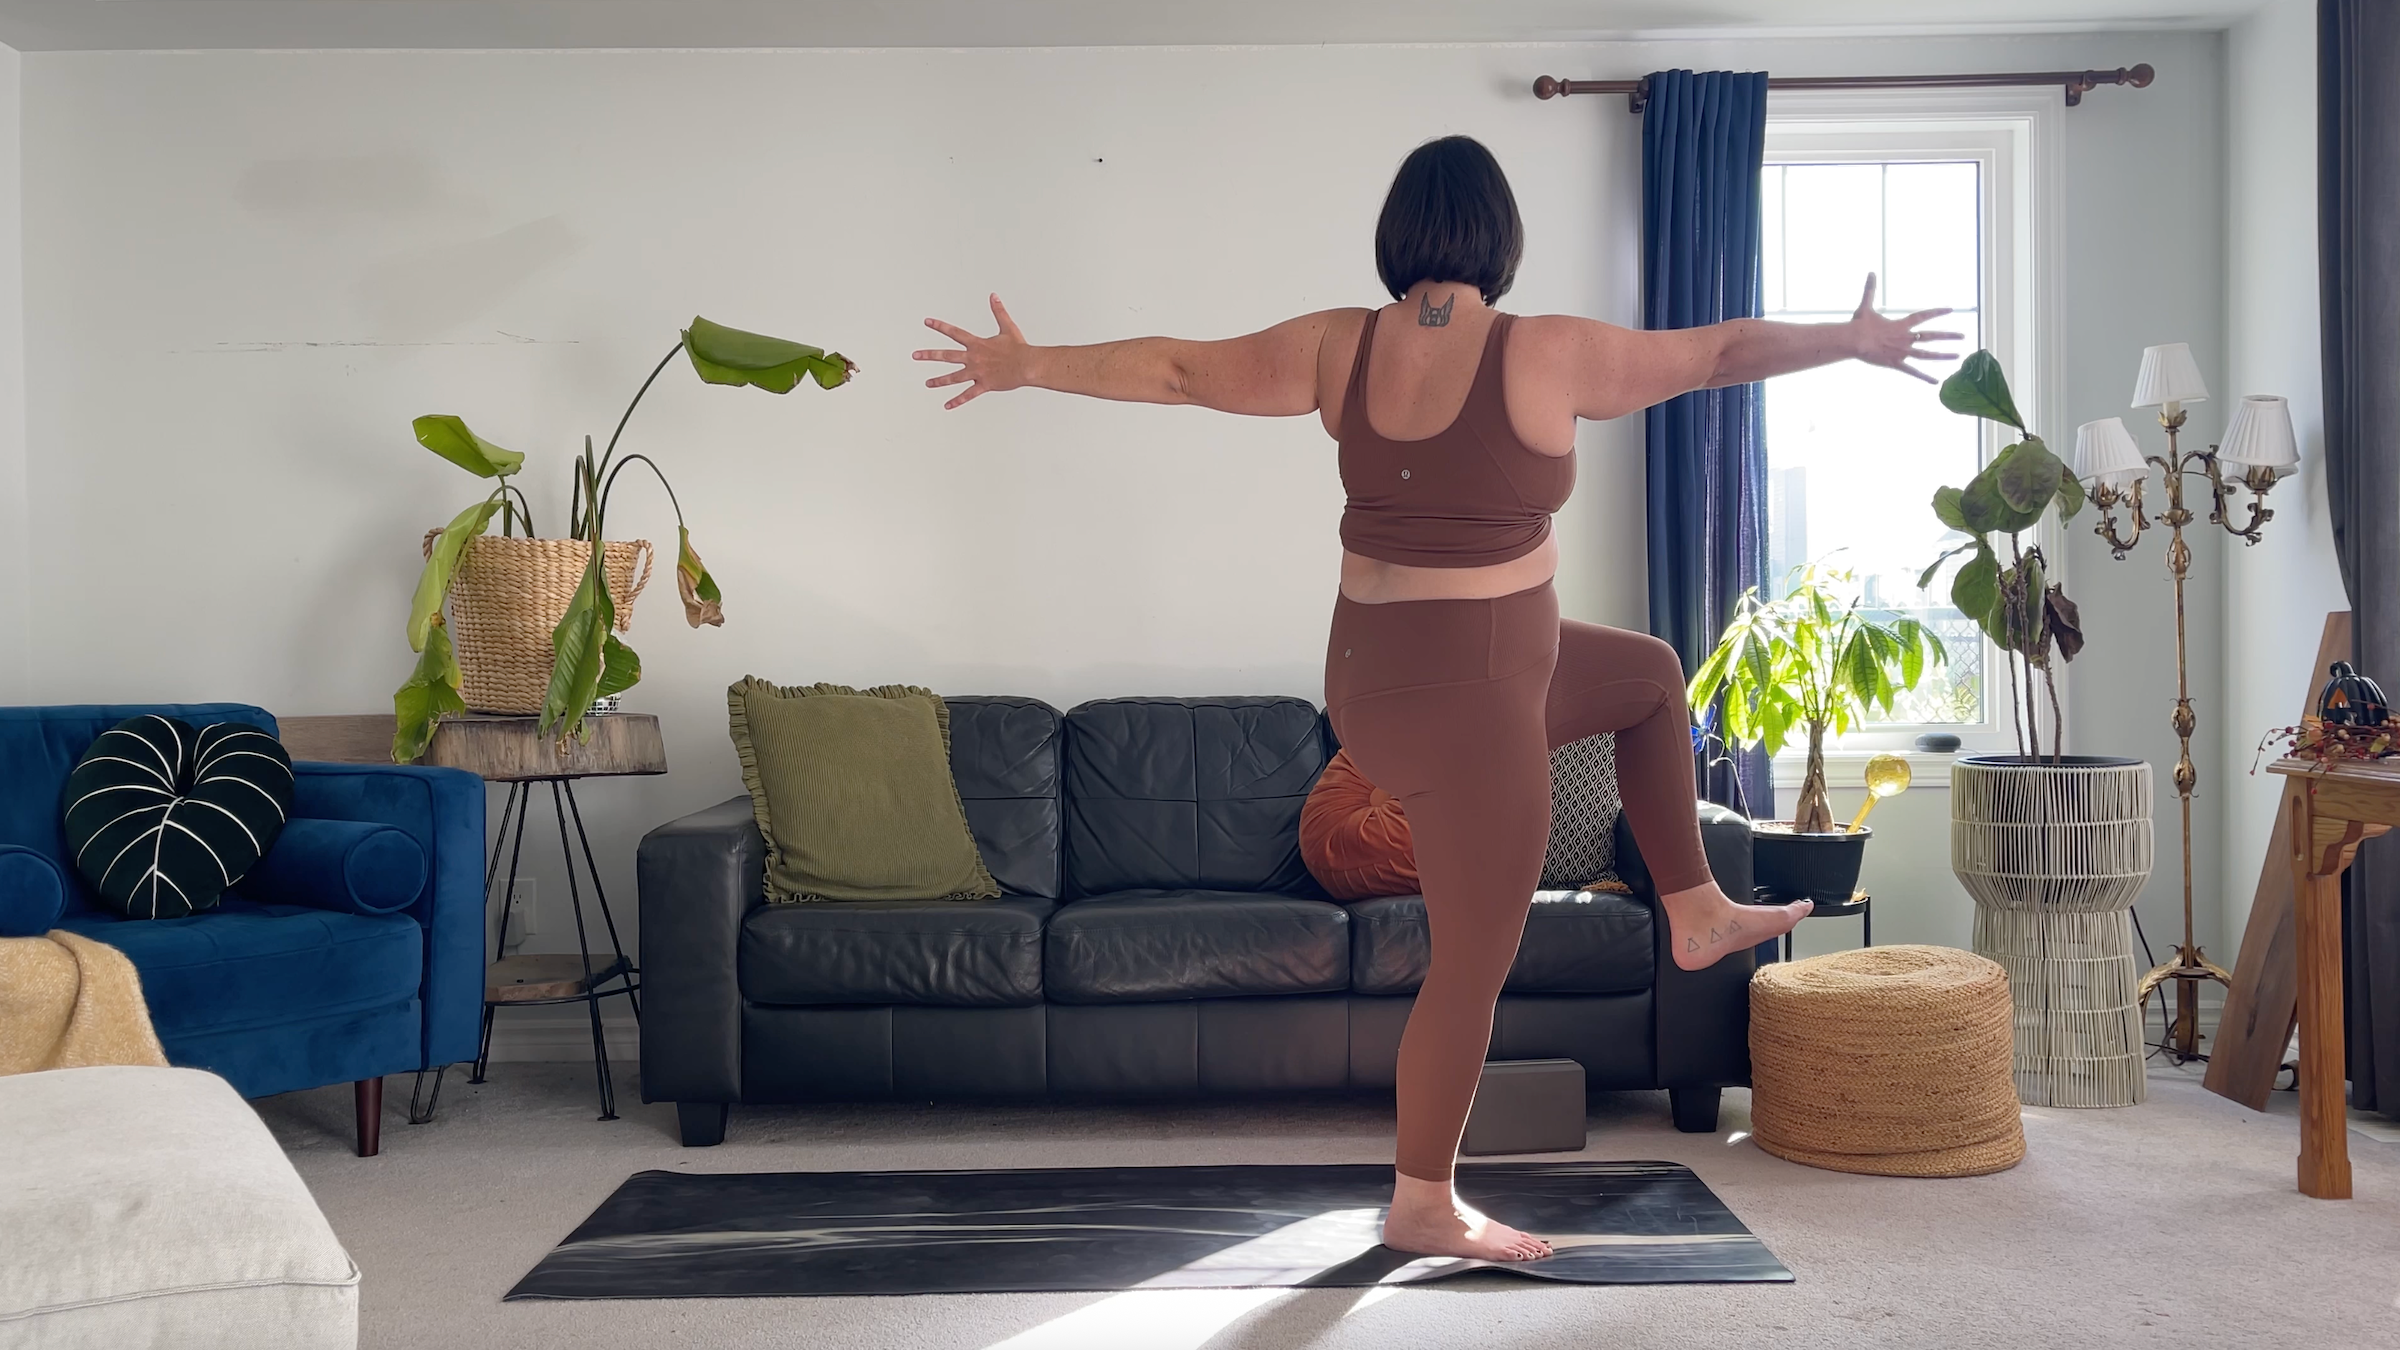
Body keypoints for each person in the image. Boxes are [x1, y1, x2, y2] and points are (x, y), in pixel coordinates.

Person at [913, 135, 1958, 1263]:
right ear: (1501, 238)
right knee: (1470, 966)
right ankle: (1422, 1200)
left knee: (1650, 675)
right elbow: (1715, 354)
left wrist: (1031, 365)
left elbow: (1178, 369)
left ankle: (1695, 907)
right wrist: (1849, 342)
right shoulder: (1544, 351)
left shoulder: (1336, 346)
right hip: (1477, 704)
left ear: (1398, 235)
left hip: (1373, 689)